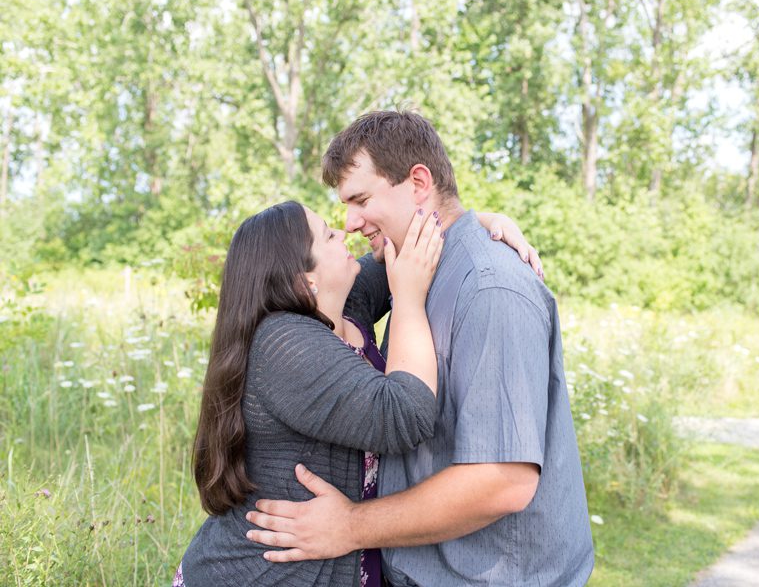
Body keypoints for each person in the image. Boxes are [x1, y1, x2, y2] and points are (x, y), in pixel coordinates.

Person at [245, 111, 595, 586]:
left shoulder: (490, 289)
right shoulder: (409, 269)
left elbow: (503, 481)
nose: (348, 223)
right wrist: (478, 220)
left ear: (418, 183)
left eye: (361, 199)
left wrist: (349, 526)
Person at [176, 200, 538, 587]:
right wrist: (410, 302)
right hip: (256, 574)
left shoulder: (344, 306)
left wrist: (482, 222)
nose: (345, 233)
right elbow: (405, 415)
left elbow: (409, 250)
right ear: (306, 280)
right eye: (329, 235)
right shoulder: (284, 344)